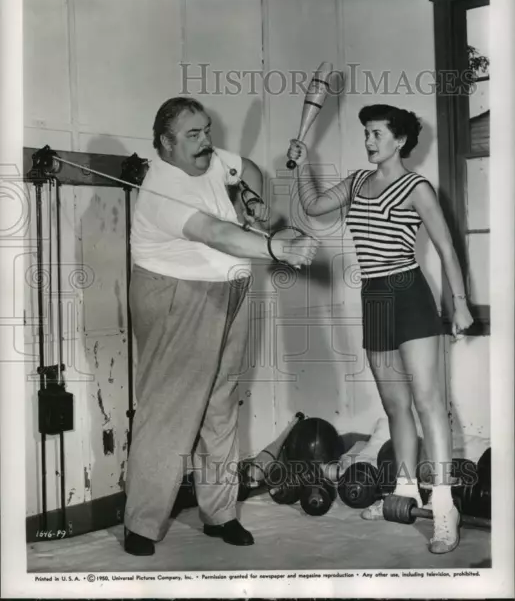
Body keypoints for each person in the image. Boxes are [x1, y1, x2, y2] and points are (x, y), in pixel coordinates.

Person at [124, 96, 318, 556]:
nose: (206, 142)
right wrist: (277, 248)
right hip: (178, 295)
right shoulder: (161, 190)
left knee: (221, 403)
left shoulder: (210, 161)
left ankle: (220, 513)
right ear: (165, 144)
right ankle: (142, 524)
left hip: (228, 290)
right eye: (193, 135)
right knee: (170, 409)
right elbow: (216, 234)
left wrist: (250, 198)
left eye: (207, 130)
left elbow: (247, 166)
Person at [287, 104, 474, 555]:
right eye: (366, 133)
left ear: (401, 141)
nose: (369, 140)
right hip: (374, 297)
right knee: (395, 405)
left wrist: (461, 305)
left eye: (376, 133)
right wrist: (300, 163)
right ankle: (405, 490)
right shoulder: (356, 182)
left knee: (430, 402)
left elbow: (447, 250)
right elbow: (313, 209)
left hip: (409, 293)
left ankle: (444, 505)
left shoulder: (417, 188)